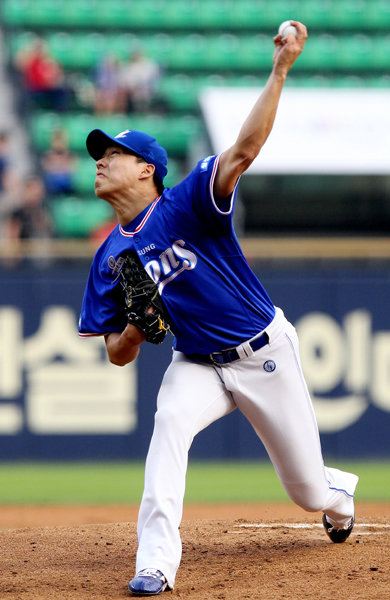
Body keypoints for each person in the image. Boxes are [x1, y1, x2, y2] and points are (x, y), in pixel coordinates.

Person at [78, 22, 359, 596]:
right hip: (198, 361)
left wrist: (280, 70)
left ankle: (339, 493)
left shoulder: (186, 204)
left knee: (307, 491)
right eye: (99, 154)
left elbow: (244, 150)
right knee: (169, 424)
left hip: (263, 350)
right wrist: (137, 321)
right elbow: (117, 354)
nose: (101, 161)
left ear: (146, 169)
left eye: (114, 153)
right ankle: (156, 563)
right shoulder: (111, 254)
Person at [15, 39, 69, 111]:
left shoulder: (48, 61)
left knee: (61, 91)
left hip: (48, 89)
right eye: (37, 49)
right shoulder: (30, 61)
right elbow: (19, 64)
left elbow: (56, 75)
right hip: (35, 89)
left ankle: (60, 113)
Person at [41, 129, 77, 197]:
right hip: (51, 189)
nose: (59, 143)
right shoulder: (47, 156)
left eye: (61, 139)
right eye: (57, 139)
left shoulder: (71, 156)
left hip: (68, 188)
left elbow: (72, 172)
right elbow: (47, 170)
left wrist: (58, 166)